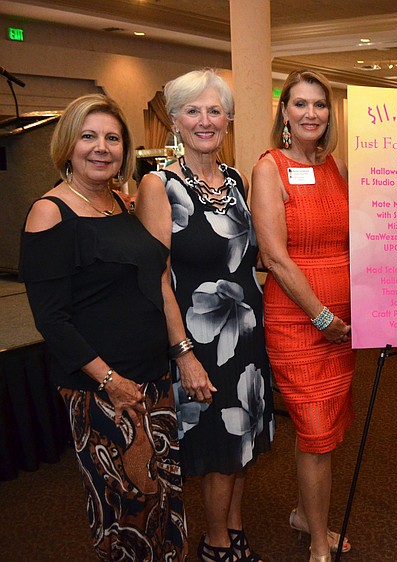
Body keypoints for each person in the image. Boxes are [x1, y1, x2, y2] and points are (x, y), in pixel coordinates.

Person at [19, 94, 187, 561]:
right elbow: (52, 319)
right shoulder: (50, 212)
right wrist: (111, 382)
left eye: (112, 138)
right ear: (68, 145)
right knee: (126, 512)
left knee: (164, 500)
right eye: (88, 136)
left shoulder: (118, 202)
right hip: (102, 390)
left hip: (152, 379)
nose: (101, 147)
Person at [135, 69, 274, 562]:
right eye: (193, 110)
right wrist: (184, 355)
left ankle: (234, 531)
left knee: (242, 444)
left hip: (246, 336)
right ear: (174, 120)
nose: (205, 120)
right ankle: (216, 546)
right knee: (218, 451)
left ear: (229, 120)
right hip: (201, 340)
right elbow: (158, 277)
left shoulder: (235, 180)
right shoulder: (160, 185)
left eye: (215, 111)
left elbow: (252, 257)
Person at [251, 69, 353, 562]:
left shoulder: (333, 166)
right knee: (314, 432)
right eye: (301, 105)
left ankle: (303, 514)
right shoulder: (269, 167)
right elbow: (274, 256)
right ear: (285, 114)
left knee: (325, 431)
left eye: (320, 104)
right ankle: (317, 541)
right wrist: (320, 316)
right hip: (300, 321)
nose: (311, 113)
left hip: (344, 324)